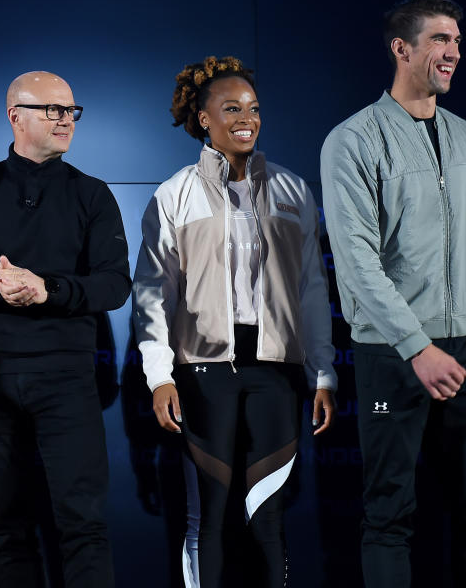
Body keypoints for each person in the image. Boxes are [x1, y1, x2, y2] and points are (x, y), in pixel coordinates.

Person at [133, 56, 337, 588]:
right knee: (208, 518)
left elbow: (313, 291)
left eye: (253, 107)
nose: (247, 117)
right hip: (202, 374)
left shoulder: (294, 192)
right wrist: (159, 377)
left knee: (268, 517)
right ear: (204, 119)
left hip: (277, 373)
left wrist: (322, 374)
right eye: (231, 108)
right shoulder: (173, 194)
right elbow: (152, 296)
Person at [320, 0, 466, 587]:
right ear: (402, 48)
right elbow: (356, 262)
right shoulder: (352, 140)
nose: (453, 53)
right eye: (439, 41)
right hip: (392, 358)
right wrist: (416, 347)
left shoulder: (464, 135)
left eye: (456, 41)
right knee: (390, 512)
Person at [0, 71, 130, 587]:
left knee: (83, 525)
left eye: (71, 110)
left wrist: (48, 290)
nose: (66, 119)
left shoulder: (92, 195)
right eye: (52, 109)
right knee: (6, 526)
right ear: (15, 117)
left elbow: (114, 286)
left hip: (67, 381)